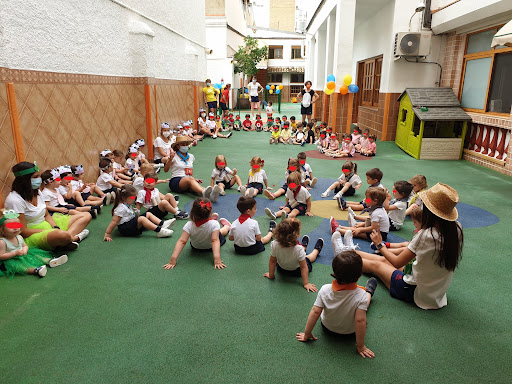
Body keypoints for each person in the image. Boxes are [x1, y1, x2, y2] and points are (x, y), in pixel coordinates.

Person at [358, 183, 463, 310]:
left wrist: (379, 244)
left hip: (414, 291)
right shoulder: (457, 229)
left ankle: (348, 259)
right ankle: (351, 251)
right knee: (385, 259)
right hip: (436, 291)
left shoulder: (427, 235)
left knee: (378, 266)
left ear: (430, 211)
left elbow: (397, 262)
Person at [296, 251, 377, 359]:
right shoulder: (361, 295)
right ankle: (370, 291)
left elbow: (315, 311)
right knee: (365, 299)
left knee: (361, 300)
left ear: (334, 271)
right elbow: (360, 321)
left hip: (327, 327)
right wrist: (361, 346)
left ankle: (369, 292)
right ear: (359, 275)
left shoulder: (325, 289)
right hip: (350, 333)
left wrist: (306, 334)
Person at [4, 162, 90, 252]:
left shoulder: (37, 192)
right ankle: (73, 238)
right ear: (24, 180)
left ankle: (67, 239)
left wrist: (55, 227)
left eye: (38, 176)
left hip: (47, 225)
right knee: (62, 235)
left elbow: (47, 215)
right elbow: (23, 231)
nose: (39, 179)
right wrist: (48, 231)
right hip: (32, 234)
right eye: (35, 177)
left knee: (86, 215)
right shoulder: (14, 200)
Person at [162, 198, 231, 270]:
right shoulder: (215, 224)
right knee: (220, 232)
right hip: (210, 247)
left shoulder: (189, 225)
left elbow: (182, 241)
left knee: (213, 229)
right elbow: (215, 240)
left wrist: (173, 259)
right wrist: (217, 259)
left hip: (195, 247)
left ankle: (211, 219)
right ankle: (227, 227)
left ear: (192, 212)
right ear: (210, 211)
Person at [0, 209, 68, 278]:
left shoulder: (19, 237)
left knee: (35, 256)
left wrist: (25, 250)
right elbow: (1, 256)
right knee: (19, 266)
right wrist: (14, 253)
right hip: (10, 260)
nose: (15, 228)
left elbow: (25, 246)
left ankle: (50, 261)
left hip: (22, 254)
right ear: (2, 229)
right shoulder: (3, 242)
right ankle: (36, 270)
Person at [263, 218, 324, 292]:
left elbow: (272, 261)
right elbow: (303, 267)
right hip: (296, 272)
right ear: (296, 234)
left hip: (281, 269)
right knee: (308, 258)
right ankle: (316, 250)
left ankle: (304, 246)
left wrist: (271, 275)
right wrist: (306, 283)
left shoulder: (274, 244)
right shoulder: (298, 249)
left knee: (299, 254)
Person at [104, 185, 174, 241]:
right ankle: (159, 231)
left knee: (148, 214)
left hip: (130, 224)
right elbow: (114, 221)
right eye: (132, 197)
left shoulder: (127, 204)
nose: (134, 199)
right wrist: (107, 233)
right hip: (125, 229)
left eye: (134, 197)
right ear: (123, 198)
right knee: (142, 219)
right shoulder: (121, 208)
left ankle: (162, 224)